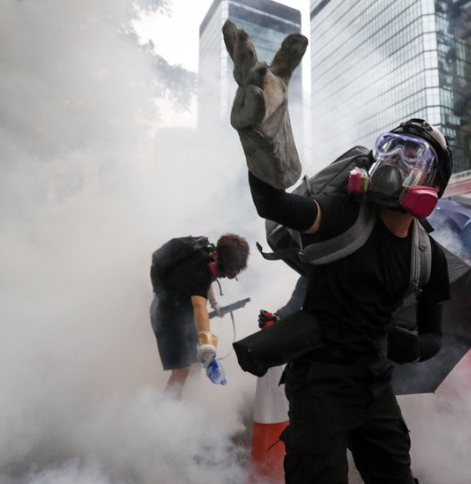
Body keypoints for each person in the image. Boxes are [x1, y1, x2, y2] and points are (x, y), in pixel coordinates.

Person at [224, 23, 452, 481]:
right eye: (391, 150)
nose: (395, 164)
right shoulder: (345, 214)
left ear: (433, 184)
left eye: (413, 158)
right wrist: (262, 139)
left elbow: (433, 336)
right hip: (320, 383)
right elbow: (275, 204)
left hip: (375, 383)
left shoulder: (429, 256)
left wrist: (411, 346)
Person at [149, 234, 250, 399]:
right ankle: (166, 412)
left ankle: (184, 403)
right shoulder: (198, 270)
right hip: (166, 317)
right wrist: (207, 346)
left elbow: (207, 279)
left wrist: (215, 303)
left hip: (183, 313)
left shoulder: (206, 253)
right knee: (181, 370)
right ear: (217, 256)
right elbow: (199, 306)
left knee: (195, 365)